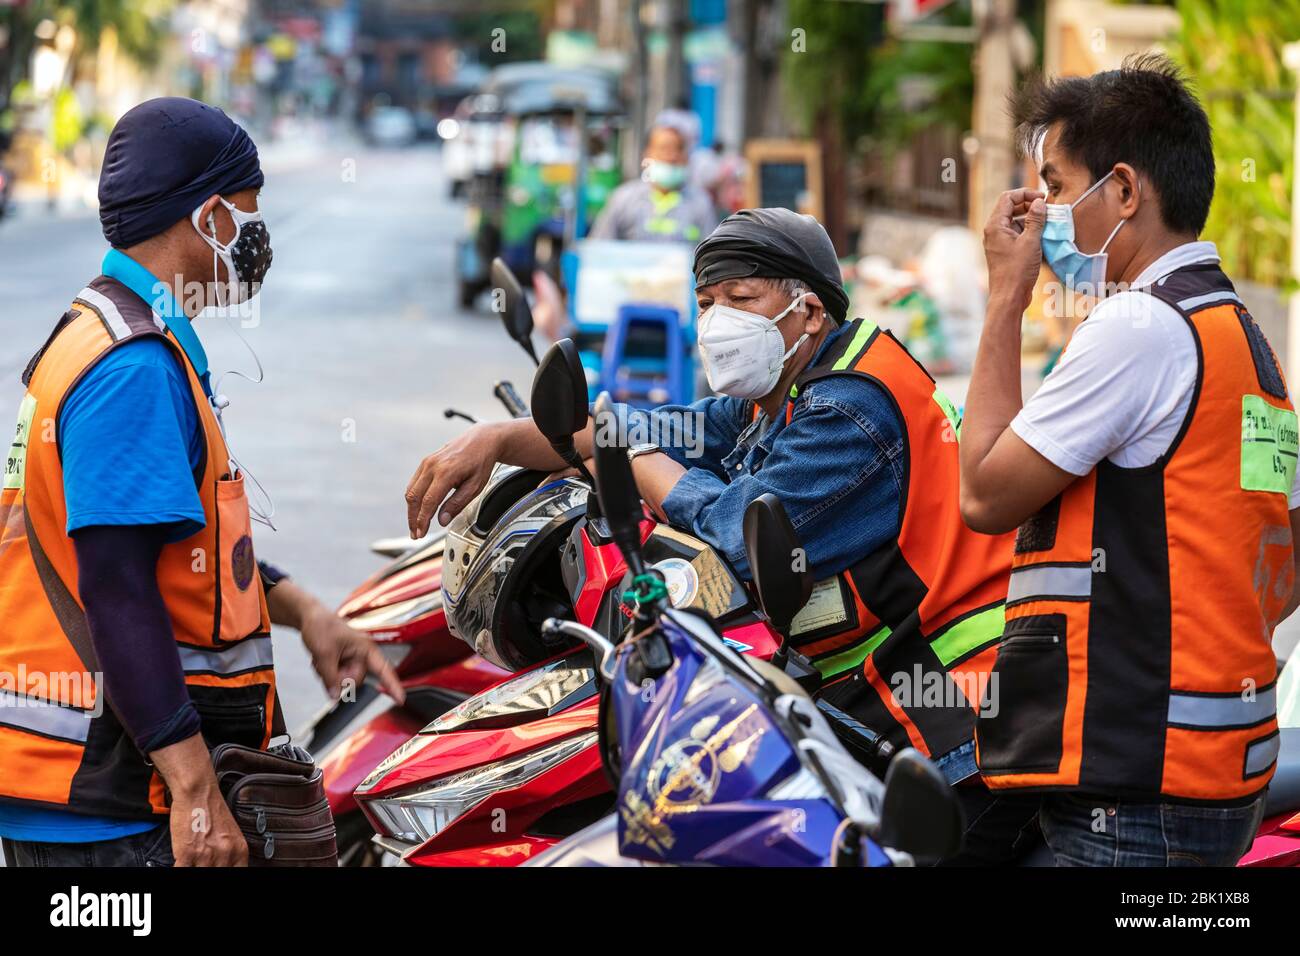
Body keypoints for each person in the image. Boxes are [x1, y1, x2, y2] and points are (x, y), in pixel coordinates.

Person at [405, 207, 1018, 858]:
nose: (717, 320)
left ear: (809, 312)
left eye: (741, 299)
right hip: (864, 697)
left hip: (954, 721)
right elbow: (644, 427)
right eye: (706, 302)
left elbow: (734, 532)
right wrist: (498, 440)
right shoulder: (775, 394)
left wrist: (630, 462)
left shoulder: (849, 407)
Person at [0, 97, 403, 867]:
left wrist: (306, 612)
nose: (258, 237)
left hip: (97, 792)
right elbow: (115, 587)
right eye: (251, 215)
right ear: (211, 217)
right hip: (119, 807)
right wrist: (194, 793)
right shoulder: (133, 368)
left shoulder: (104, 330)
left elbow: (176, 549)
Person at [960, 54, 1298, 866]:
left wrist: (1007, 295)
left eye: (1055, 184)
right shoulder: (1243, 341)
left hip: (1135, 784)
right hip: (1211, 768)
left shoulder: (1138, 329)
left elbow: (982, 494)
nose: (1044, 214)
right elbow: (1284, 572)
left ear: (1122, 190)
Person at [588, 111, 718, 245]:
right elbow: (598, 247)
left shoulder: (701, 204)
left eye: (678, 149)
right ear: (647, 154)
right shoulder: (623, 199)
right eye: (663, 148)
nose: (671, 156)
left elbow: (712, 255)